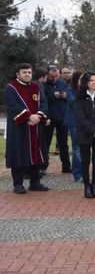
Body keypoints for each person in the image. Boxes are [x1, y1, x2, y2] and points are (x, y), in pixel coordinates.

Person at [4, 63, 50, 194]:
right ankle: (18, 184)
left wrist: (39, 116)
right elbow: (13, 106)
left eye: (29, 72)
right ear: (18, 74)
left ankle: (35, 182)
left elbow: (44, 104)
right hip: (20, 128)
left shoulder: (36, 87)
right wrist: (29, 117)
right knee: (19, 154)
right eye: (24, 72)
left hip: (35, 128)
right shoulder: (11, 88)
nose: (27, 74)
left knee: (36, 153)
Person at [43, 66, 71, 173]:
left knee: (63, 143)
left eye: (56, 76)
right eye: (52, 77)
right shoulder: (44, 84)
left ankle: (66, 166)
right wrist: (53, 96)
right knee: (46, 142)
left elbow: (69, 96)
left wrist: (64, 96)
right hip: (49, 117)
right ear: (48, 75)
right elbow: (43, 99)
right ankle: (43, 166)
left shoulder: (62, 83)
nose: (54, 79)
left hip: (62, 116)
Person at [66, 70, 84, 182]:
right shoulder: (70, 90)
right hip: (74, 123)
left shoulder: (85, 90)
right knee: (77, 148)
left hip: (85, 122)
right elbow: (73, 103)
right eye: (81, 78)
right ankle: (77, 174)